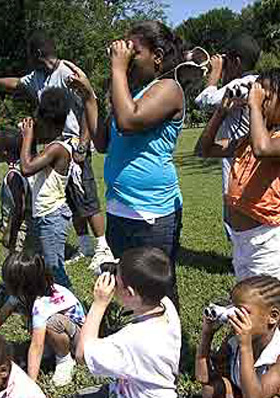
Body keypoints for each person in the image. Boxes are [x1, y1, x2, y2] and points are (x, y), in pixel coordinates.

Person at [0, 31, 114, 272]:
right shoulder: (37, 76)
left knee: (86, 196)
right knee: (69, 198)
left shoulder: (68, 73)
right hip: (56, 144)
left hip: (74, 144)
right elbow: (15, 83)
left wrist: (83, 144)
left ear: (37, 54)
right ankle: (85, 245)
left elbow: (88, 104)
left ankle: (102, 248)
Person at [67, 21, 186, 304]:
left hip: (152, 213)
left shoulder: (169, 88)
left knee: (158, 292)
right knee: (131, 286)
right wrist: (89, 98)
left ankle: (170, 346)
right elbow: (102, 142)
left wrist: (118, 69)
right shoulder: (129, 94)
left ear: (157, 56)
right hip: (120, 210)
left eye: (134, 52)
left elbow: (130, 121)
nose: (126, 59)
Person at [198, 67, 280, 333]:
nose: (256, 101)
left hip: (265, 241)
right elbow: (203, 150)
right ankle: (255, 353)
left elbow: (263, 150)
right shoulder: (249, 138)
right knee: (248, 302)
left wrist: (253, 105)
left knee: (275, 306)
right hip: (242, 241)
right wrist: (221, 112)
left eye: (266, 97)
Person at [71, 247, 183, 398]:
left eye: (117, 281)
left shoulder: (132, 340)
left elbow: (81, 353)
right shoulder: (165, 304)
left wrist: (99, 303)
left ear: (130, 293)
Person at [193, 35, 261, 237]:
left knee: (235, 213)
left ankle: (241, 260)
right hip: (251, 159)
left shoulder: (239, 86)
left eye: (227, 60)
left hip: (236, 160)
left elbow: (204, 101)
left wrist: (215, 72)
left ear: (237, 62)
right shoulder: (257, 82)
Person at [0, 252, 84, 387]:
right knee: (33, 317)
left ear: (22, 284)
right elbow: (0, 316)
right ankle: (52, 349)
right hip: (66, 332)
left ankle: (64, 359)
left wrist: (31, 386)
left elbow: (36, 346)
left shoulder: (42, 303)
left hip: (81, 340)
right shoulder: (25, 294)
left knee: (52, 323)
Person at [17, 87, 77, 288]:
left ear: (46, 122)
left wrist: (27, 136)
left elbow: (26, 168)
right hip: (43, 214)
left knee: (55, 269)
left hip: (52, 216)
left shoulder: (57, 149)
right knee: (41, 263)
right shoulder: (51, 146)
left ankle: (71, 308)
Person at [0, 130, 31, 252]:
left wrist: (10, 233)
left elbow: (19, 207)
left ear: (5, 152)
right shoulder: (24, 166)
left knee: (17, 265)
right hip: (25, 226)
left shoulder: (13, 176)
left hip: (19, 231)